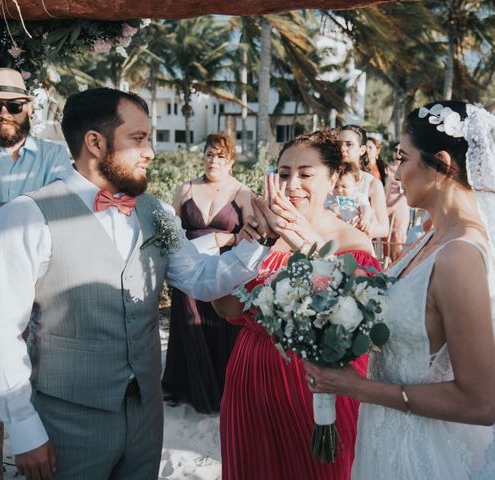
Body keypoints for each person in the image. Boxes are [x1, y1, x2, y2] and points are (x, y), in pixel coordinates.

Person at [0, 88, 271, 479]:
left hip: (146, 418)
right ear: (95, 143)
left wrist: (255, 243)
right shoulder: (25, 216)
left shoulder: (159, 212)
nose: (150, 152)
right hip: (68, 422)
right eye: (138, 139)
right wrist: (24, 430)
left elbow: (202, 278)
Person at [304, 101, 495, 478]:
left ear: (441, 164)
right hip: (384, 438)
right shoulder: (430, 237)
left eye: (402, 157)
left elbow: (480, 402)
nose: (395, 173)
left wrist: (358, 388)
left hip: (422, 453)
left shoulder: (459, 255)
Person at [213, 130, 380, 479]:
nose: (292, 184)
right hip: (250, 378)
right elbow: (227, 310)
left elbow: (356, 327)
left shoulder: (354, 242)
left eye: (305, 174)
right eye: (284, 173)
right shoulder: (262, 234)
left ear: (333, 178)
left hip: (315, 386)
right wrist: (244, 249)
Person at [0, 67, 72, 480]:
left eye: (12, 104)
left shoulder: (56, 156)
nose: (3, 113)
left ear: (27, 106)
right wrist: (26, 211)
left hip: (46, 291)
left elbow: (62, 216)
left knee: (52, 389)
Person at [161, 132, 254, 413]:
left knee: (220, 326)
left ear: (231, 162)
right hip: (189, 267)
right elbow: (169, 230)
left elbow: (251, 234)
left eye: (220, 156)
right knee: (188, 324)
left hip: (223, 270)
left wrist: (223, 240)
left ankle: (223, 388)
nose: (213, 160)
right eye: (209, 154)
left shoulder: (242, 192)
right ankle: (189, 388)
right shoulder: (186, 188)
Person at [337, 125, 389, 238]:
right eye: (339, 144)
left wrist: (363, 228)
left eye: (349, 144)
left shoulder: (372, 183)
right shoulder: (327, 177)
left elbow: (384, 228)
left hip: (358, 246)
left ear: (362, 150)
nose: (342, 148)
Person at [385, 143, 410, 262]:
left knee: (397, 236)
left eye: (401, 150)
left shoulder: (406, 170)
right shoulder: (387, 169)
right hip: (386, 206)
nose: (397, 153)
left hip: (400, 206)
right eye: (396, 150)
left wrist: (394, 207)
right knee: (385, 238)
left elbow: (406, 191)